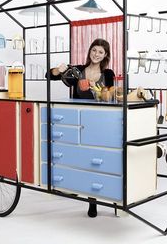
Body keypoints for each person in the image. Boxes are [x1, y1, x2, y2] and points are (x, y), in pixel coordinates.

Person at [48, 38, 115, 218]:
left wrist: (98, 89)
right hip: (77, 119)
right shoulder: (78, 70)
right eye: (94, 50)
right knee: (77, 157)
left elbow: (110, 97)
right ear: (89, 51)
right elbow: (50, 75)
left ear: (105, 55)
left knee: (95, 160)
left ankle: (93, 201)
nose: (96, 54)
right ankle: (75, 188)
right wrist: (58, 69)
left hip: (99, 121)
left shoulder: (108, 73)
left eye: (101, 52)